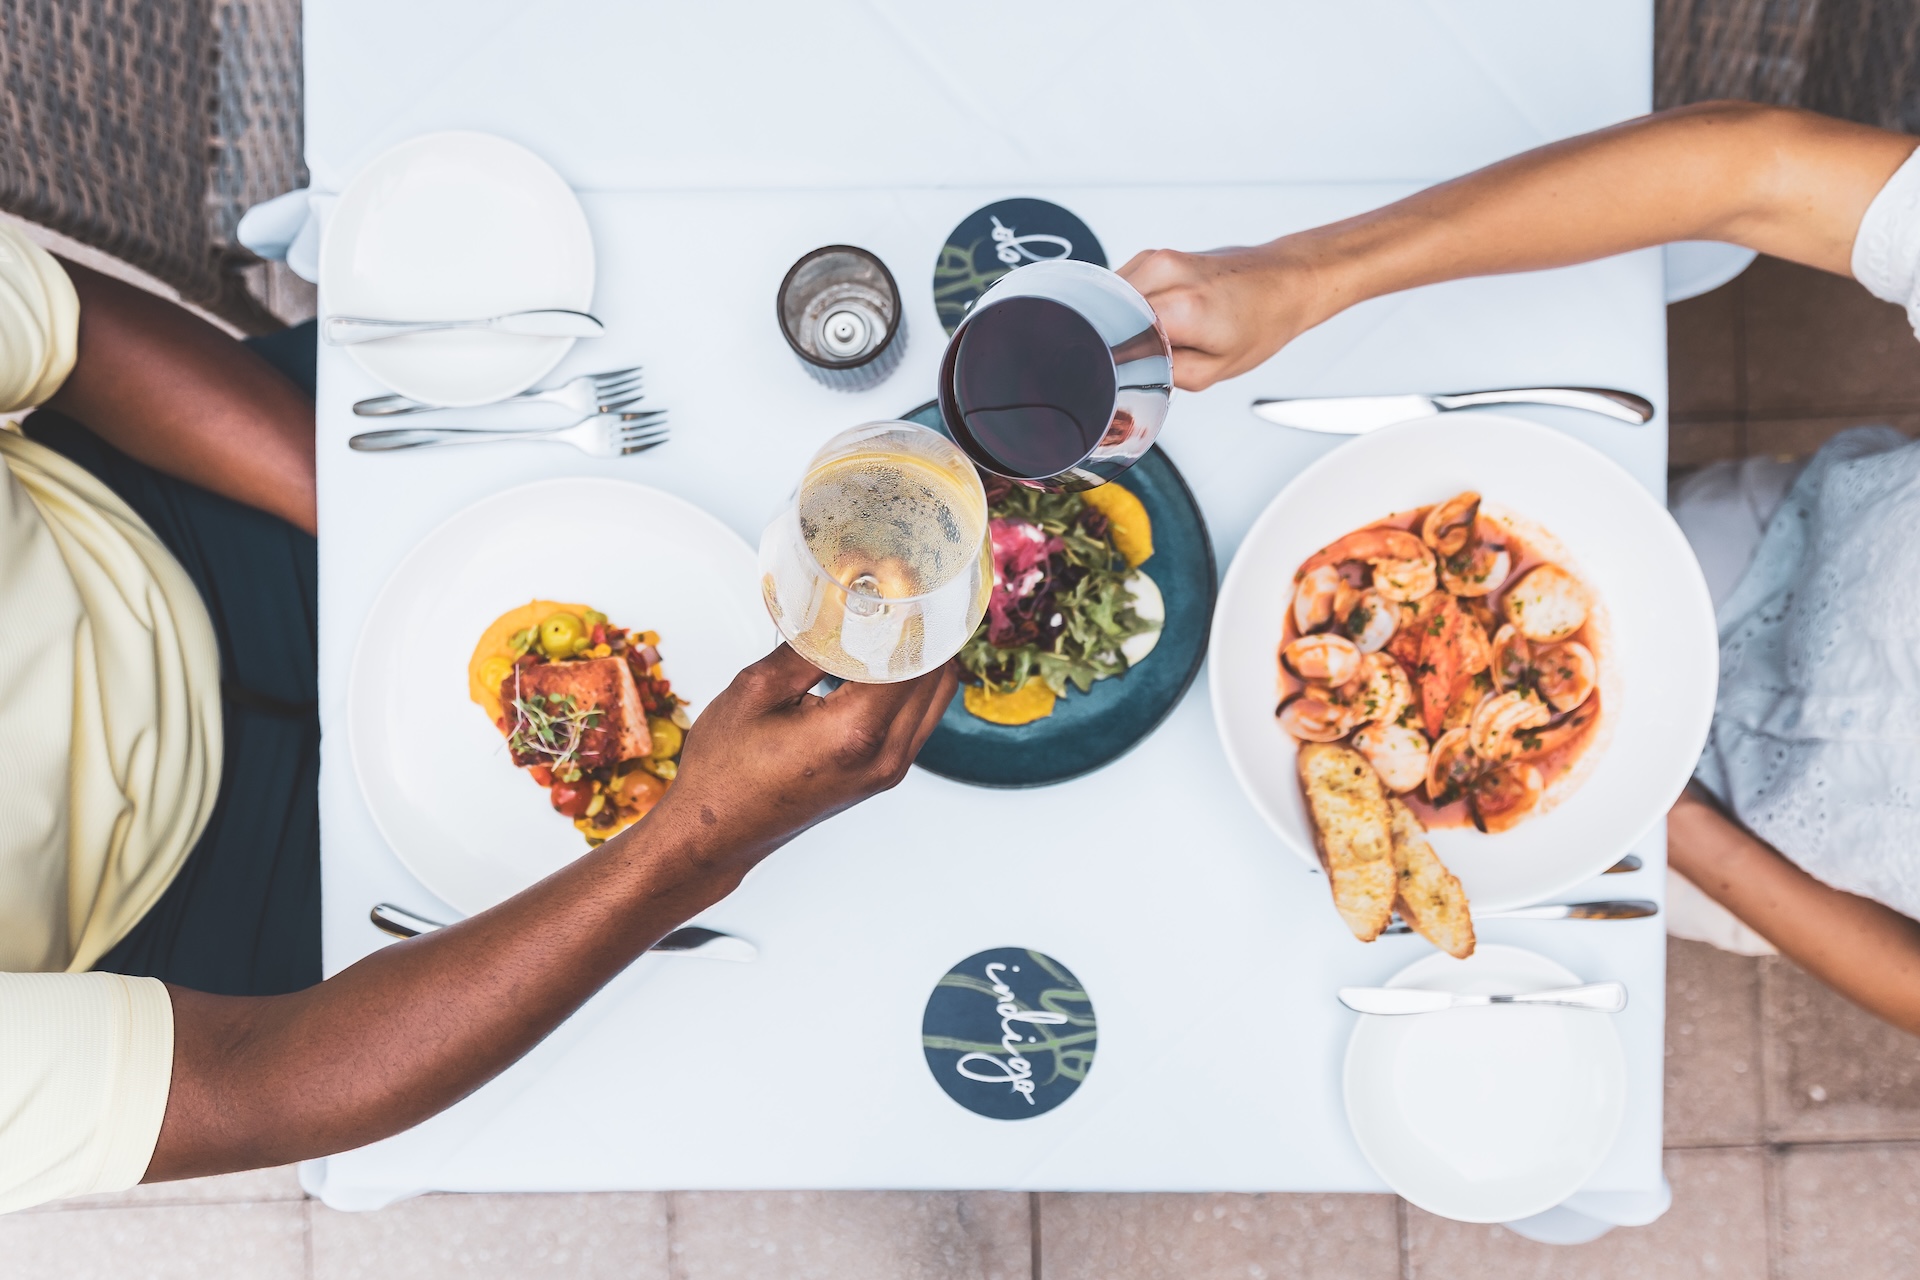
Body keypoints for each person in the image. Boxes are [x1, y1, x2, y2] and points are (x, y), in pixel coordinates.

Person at [0, 221, 958, 1212]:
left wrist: (380, 535)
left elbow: (68, 332)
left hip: (180, 503)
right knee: (703, 1026)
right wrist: (695, 846)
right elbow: (250, 1083)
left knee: (688, 384)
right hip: (181, 910)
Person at [1118, 101, 1920, 1036]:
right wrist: (1308, 276)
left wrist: (1669, 821)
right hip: (1769, 543)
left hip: (1766, 856)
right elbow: (1761, 172)